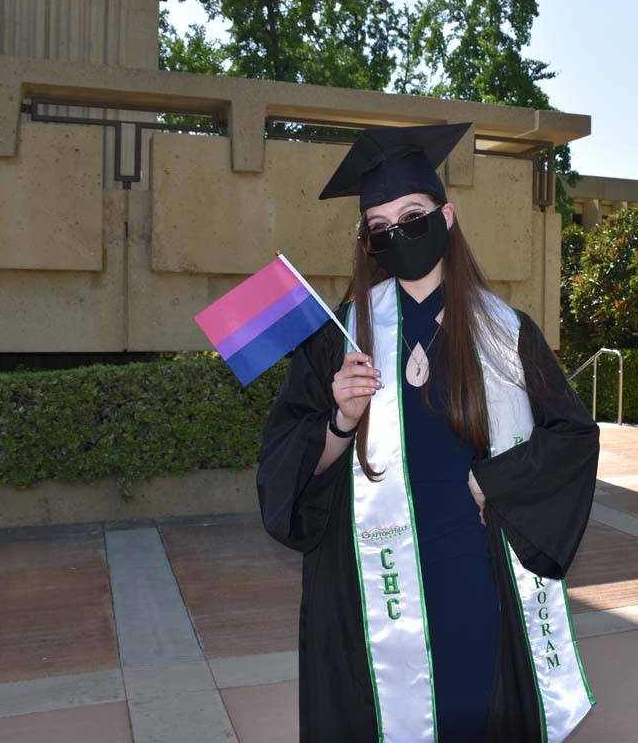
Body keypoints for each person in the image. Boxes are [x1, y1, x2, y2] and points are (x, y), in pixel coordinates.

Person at [255, 122, 599, 743]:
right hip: (374, 580)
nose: (398, 234)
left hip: (475, 570)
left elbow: (573, 436)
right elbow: (289, 466)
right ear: (367, 241)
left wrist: (495, 482)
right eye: (380, 228)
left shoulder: (504, 330)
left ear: (446, 216)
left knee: (471, 713)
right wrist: (341, 419)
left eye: (412, 216)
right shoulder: (341, 334)